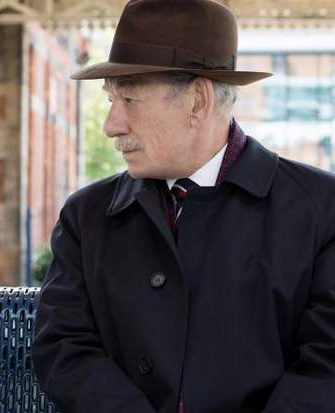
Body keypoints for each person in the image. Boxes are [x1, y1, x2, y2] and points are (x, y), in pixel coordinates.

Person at [33, 0, 335, 412]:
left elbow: (326, 365)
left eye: (129, 100)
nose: (110, 125)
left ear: (198, 101)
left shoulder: (321, 210)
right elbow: (62, 346)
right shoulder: (86, 216)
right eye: (110, 101)